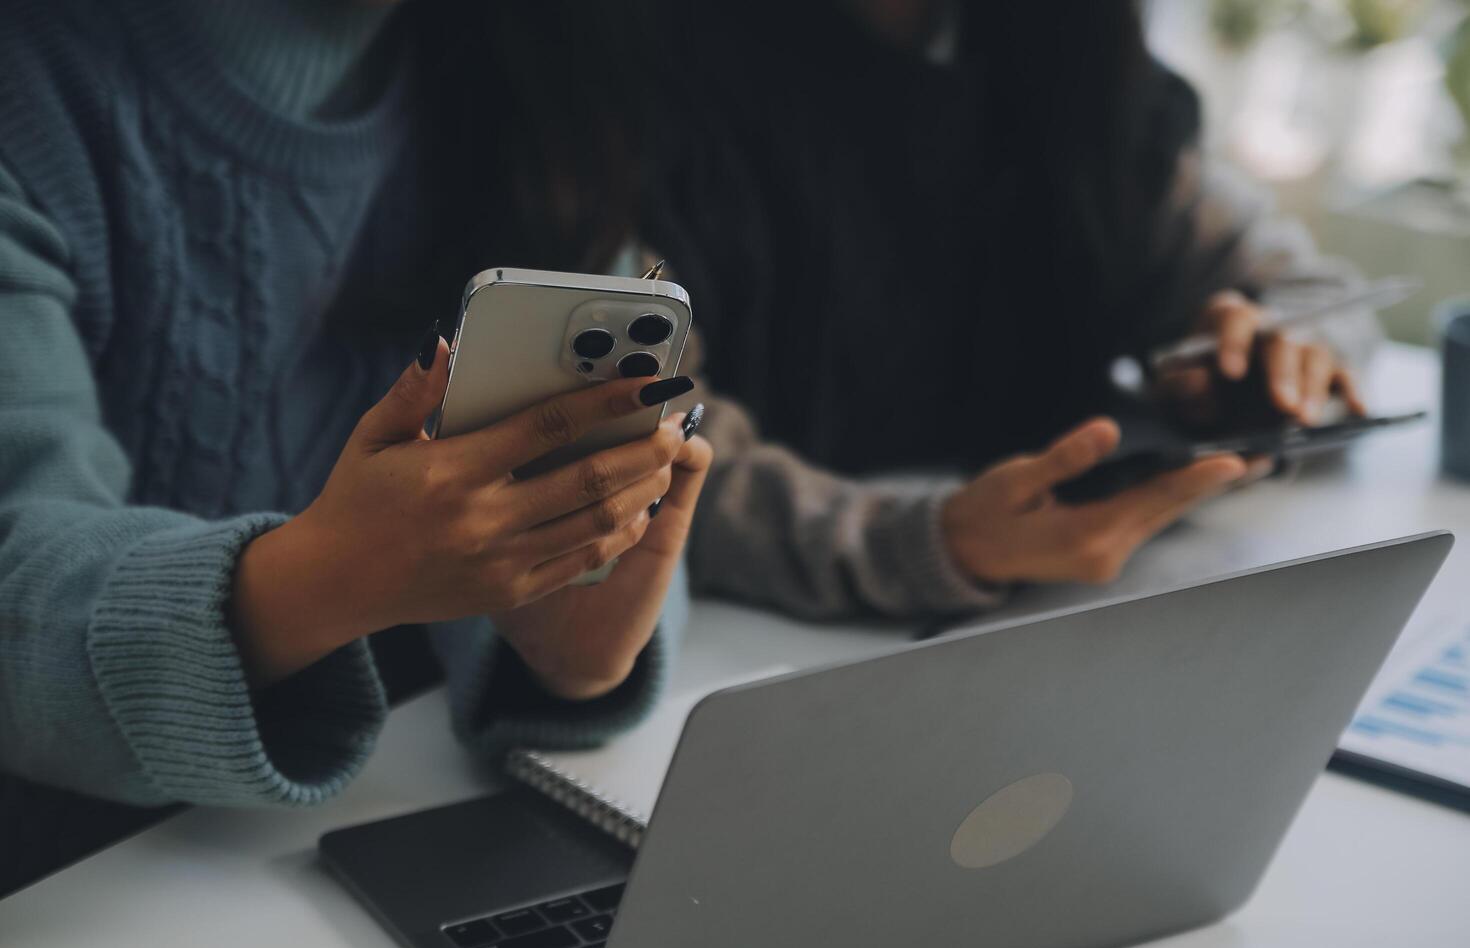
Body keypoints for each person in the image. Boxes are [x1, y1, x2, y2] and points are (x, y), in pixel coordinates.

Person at [0, 0, 710, 893]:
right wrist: (326, 579)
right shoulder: (37, 88)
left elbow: (613, 416)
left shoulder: (535, 75)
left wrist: (574, 649)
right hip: (75, 887)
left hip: (381, 837)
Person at [639, 0, 1379, 618]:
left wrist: (1284, 353)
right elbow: (626, 443)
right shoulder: (637, 80)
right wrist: (920, 545)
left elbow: (1312, 293)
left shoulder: (1077, 67)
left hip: (1058, 615)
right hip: (734, 637)